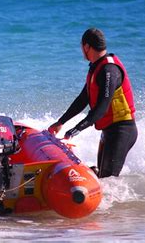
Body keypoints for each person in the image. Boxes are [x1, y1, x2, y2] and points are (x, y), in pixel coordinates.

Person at [48, 28, 137, 178]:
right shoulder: (96, 67)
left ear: (87, 46)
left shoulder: (109, 70)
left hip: (122, 131)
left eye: (82, 47)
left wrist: (74, 131)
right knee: (102, 177)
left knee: (109, 180)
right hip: (109, 131)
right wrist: (60, 122)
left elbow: (101, 109)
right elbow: (83, 99)